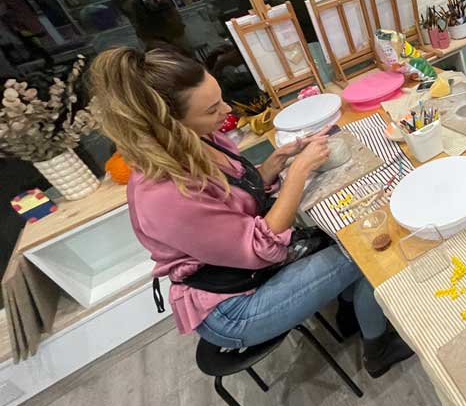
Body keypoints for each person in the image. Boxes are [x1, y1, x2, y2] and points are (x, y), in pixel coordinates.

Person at [89, 47, 413, 378]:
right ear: (168, 124)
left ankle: (351, 314)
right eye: (213, 109)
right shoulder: (164, 194)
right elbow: (260, 248)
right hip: (234, 307)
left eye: (221, 99)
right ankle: (378, 350)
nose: (227, 111)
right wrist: (298, 172)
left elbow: (235, 198)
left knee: (346, 234)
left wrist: (278, 162)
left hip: (247, 273)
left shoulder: (197, 140)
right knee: (369, 251)